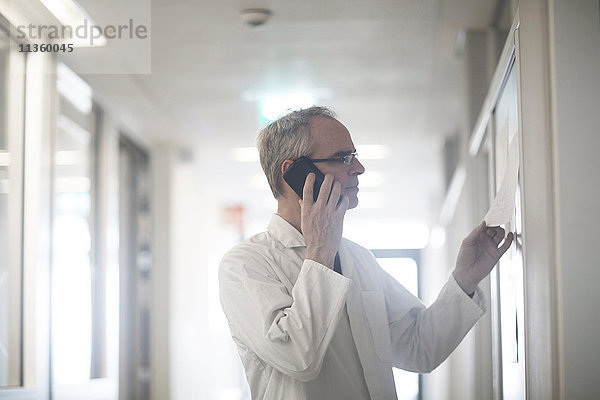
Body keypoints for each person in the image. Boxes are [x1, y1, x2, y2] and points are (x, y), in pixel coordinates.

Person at [218, 106, 513, 400]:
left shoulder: (358, 259)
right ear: (295, 174)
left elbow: (420, 347)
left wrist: (464, 279)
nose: (359, 168)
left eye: (355, 156)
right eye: (343, 158)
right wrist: (320, 250)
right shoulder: (245, 265)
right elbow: (298, 357)